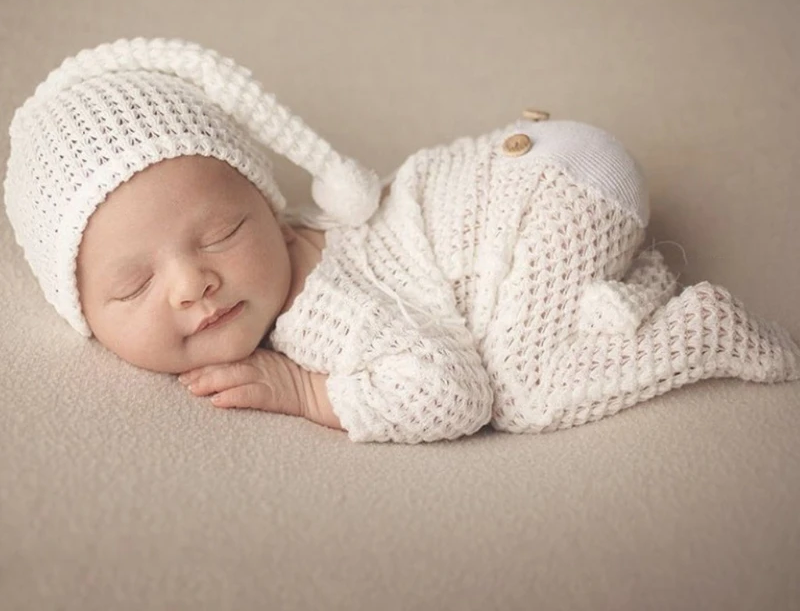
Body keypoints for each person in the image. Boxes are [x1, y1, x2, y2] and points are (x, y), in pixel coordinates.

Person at [5, 38, 798, 444]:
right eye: (133, 286)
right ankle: (623, 292)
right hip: (543, 169)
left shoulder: (316, 309)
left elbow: (453, 393)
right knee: (516, 325)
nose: (191, 284)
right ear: (80, 312)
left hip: (547, 200)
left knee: (520, 394)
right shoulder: (283, 260)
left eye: (221, 232)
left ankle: (695, 331)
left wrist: (308, 393)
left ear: (269, 203)